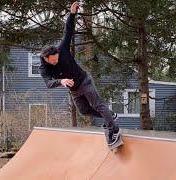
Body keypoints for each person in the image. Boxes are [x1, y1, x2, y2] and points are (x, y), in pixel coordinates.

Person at [39, 1, 120, 145]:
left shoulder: (61, 48)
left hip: (84, 81)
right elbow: (48, 83)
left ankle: (113, 130)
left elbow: (68, 30)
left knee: (98, 104)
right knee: (84, 110)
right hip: (74, 90)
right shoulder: (44, 68)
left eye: (57, 59)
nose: (56, 61)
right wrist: (61, 81)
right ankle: (110, 115)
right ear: (46, 59)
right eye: (53, 61)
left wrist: (72, 14)